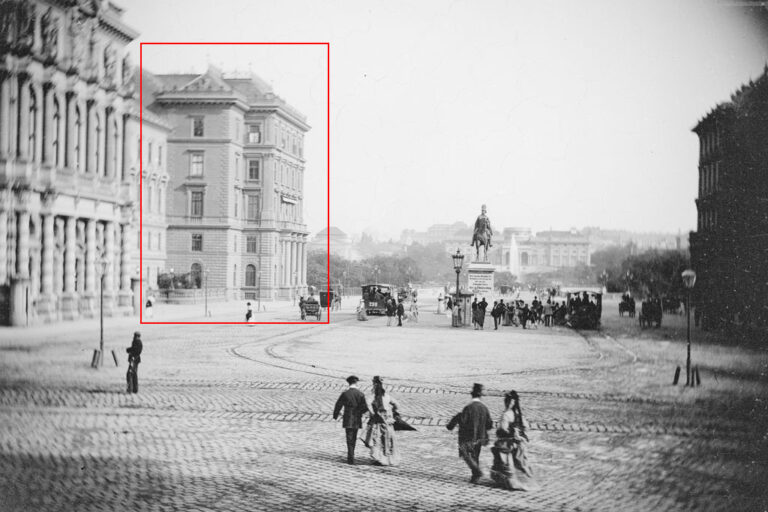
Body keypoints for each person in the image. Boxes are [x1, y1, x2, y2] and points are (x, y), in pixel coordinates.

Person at [446, 383, 493, 483]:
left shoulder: (468, 408)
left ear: (472, 395)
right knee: (476, 455)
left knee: (464, 452)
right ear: (480, 396)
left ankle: (476, 471)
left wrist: (454, 423)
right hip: (480, 437)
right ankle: (474, 477)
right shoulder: (484, 408)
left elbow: (463, 421)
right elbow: (489, 424)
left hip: (469, 437)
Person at [491, 391, 534, 490]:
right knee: (520, 461)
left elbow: (503, 429)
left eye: (508, 401)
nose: (508, 403)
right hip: (518, 443)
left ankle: (508, 481)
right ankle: (523, 479)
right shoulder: (519, 414)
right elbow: (526, 426)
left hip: (507, 442)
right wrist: (519, 432)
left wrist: (509, 432)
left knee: (504, 460)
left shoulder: (506, 414)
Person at [364, 376, 401, 466]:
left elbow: (368, 404)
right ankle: (389, 459)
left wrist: (373, 413)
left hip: (378, 421)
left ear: (374, 384)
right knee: (388, 438)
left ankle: (380, 458)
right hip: (388, 421)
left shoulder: (373, 396)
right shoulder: (387, 396)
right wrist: (393, 411)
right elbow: (397, 404)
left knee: (377, 438)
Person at [332, 375, 369, 465]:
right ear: (356, 383)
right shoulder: (360, 394)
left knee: (349, 437)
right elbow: (364, 407)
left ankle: (350, 457)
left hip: (347, 418)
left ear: (348, 383)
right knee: (354, 438)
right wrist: (361, 412)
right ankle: (352, 456)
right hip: (356, 419)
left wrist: (336, 415)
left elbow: (338, 405)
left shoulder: (345, 393)